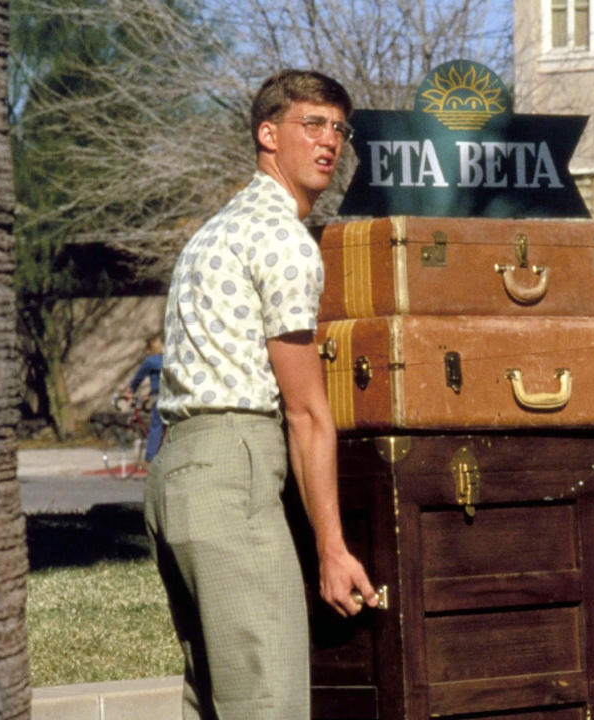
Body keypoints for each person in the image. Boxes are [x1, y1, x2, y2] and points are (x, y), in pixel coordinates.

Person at [145, 69, 376, 720]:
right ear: (267, 134)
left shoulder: (215, 230)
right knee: (266, 703)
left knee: (217, 703)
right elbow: (305, 413)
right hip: (232, 469)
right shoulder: (281, 239)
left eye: (338, 128)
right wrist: (332, 550)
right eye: (312, 124)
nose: (329, 140)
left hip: (175, 478)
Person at [123, 336, 164, 464]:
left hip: (159, 397)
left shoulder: (150, 361)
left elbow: (138, 378)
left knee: (156, 425)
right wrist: (149, 394)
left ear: (149, 349)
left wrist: (130, 391)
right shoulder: (169, 359)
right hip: (170, 395)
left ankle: (150, 460)